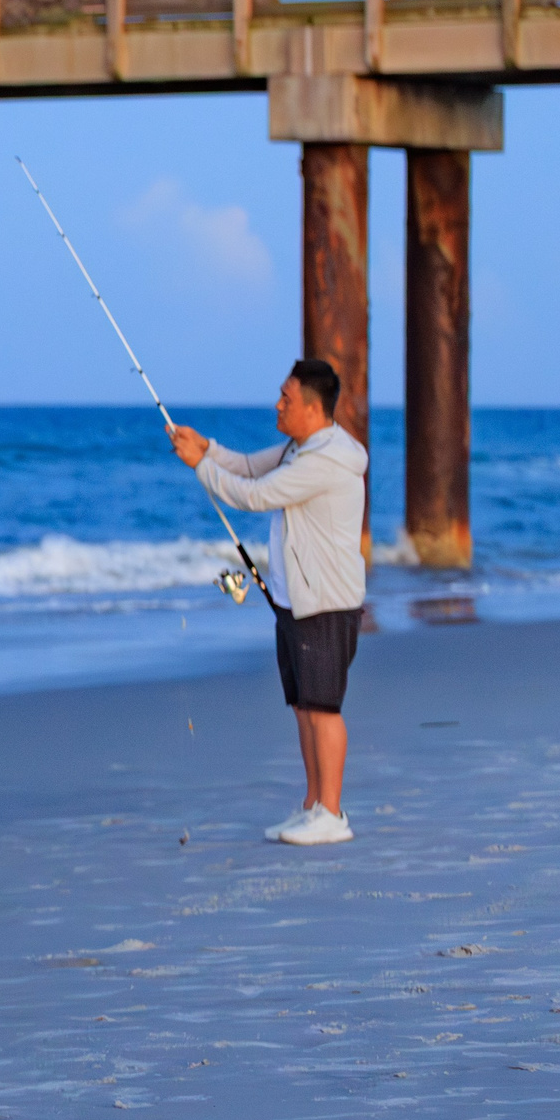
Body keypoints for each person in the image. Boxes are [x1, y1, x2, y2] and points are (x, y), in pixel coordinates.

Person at [167, 361, 369, 847]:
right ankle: (313, 806)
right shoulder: (300, 448)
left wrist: (200, 467)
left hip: (325, 601)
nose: (278, 405)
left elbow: (255, 496)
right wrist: (210, 450)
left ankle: (334, 813)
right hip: (293, 599)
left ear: (313, 410)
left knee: (324, 709)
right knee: (303, 707)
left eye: (286, 399)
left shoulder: (327, 460)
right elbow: (251, 467)